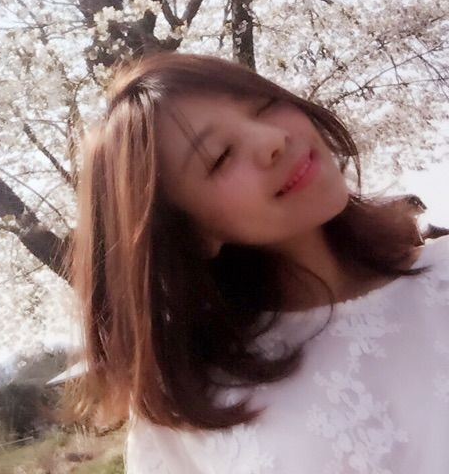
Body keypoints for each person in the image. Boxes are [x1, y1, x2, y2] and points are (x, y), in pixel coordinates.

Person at [66, 52, 449, 473]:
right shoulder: (190, 403)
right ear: (188, 232)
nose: (271, 140)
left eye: (265, 106)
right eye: (221, 156)